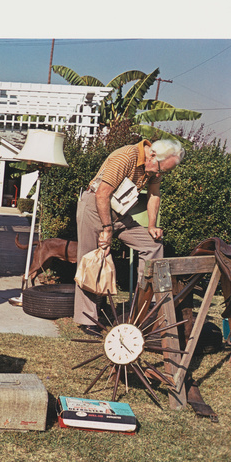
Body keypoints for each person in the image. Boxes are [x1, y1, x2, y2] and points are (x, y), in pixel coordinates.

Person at [74, 138, 184, 334]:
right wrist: (107, 230)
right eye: (160, 170)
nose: (159, 174)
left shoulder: (155, 166)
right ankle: (88, 318)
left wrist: (152, 225)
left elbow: (154, 193)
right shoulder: (125, 156)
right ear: (152, 155)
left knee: (153, 246)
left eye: (164, 172)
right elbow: (102, 194)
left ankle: (142, 307)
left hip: (119, 213)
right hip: (94, 207)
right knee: (90, 259)